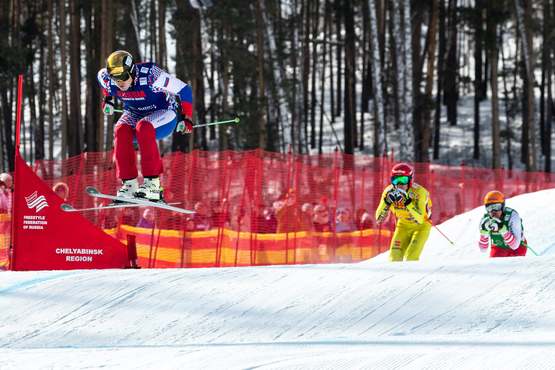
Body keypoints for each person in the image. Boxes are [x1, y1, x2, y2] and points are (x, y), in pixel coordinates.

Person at [97, 50, 194, 202]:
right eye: (115, 79)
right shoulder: (107, 78)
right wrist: (107, 100)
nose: (119, 83)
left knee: (144, 126)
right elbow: (104, 84)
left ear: (132, 71)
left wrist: (185, 117)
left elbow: (184, 90)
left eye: (123, 77)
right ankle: (129, 184)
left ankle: (153, 184)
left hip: (164, 113)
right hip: (135, 113)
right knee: (120, 130)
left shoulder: (151, 76)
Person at [375, 163, 432, 261]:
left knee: (411, 257)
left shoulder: (420, 192)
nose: (399, 185)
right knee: (394, 258)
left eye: (403, 180)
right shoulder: (388, 192)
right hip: (403, 226)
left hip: (421, 227)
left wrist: (407, 203)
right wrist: (387, 202)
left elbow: (420, 219)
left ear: (410, 180)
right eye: (396, 180)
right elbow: (378, 219)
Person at [478, 190, 527, 257]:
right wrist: (484, 232)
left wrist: (503, 230)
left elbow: (515, 246)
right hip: (499, 247)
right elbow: (483, 250)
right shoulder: (485, 220)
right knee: (494, 266)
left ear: (503, 206)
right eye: (489, 208)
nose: (493, 212)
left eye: (496, 207)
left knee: (513, 266)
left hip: (518, 247)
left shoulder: (513, 216)